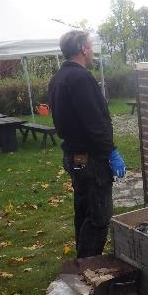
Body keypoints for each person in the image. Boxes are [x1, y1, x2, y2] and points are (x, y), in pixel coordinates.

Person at [48, 30, 126, 258]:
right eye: (91, 47)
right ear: (83, 48)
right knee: (98, 216)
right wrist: (111, 152)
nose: (93, 52)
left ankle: (81, 264)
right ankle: (88, 270)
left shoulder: (58, 78)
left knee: (83, 209)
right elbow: (95, 121)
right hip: (91, 160)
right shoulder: (81, 78)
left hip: (75, 157)